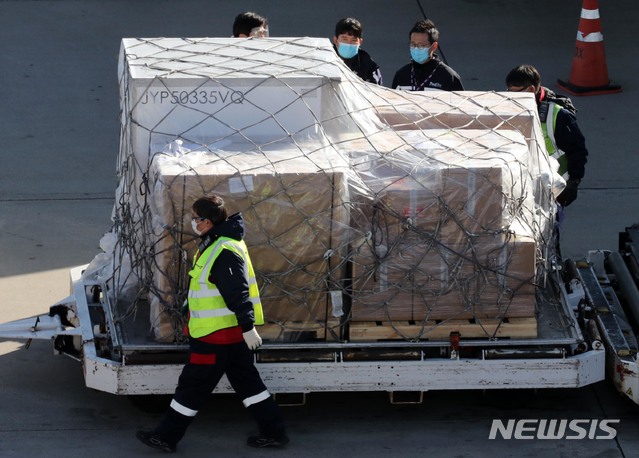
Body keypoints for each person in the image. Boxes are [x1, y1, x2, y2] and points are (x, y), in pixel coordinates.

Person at [136, 195, 288, 453]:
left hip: (215, 338)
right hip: (230, 337)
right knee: (250, 386)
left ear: (206, 221)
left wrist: (248, 327)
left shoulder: (223, 251)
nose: (192, 222)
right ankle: (274, 432)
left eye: (195, 218)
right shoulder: (219, 242)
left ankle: (166, 436)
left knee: (192, 388)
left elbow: (237, 293)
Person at [505, 64, 588, 208]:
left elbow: (577, 150)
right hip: (520, 187)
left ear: (531, 90)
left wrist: (574, 182)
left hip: (553, 188)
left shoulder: (559, 115)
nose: (511, 99)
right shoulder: (509, 110)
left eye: (515, 94)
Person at [392, 19, 464, 92]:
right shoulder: (401, 74)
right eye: (413, 44)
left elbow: (460, 102)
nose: (416, 49)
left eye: (421, 45)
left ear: (434, 46)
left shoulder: (449, 77)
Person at [332, 17, 383, 85]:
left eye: (353, 40)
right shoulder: (324, 59)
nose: (349, 44)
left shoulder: (369, 65)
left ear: (360, 42)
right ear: (336, 40)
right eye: (344, 39)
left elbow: (377, 91)